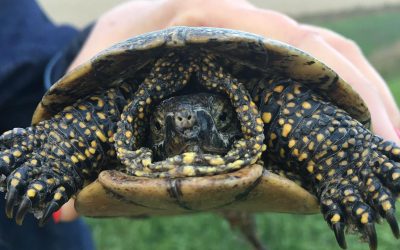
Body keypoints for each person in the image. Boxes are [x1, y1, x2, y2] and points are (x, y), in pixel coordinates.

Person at [1, 0, 399, 247]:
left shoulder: (263, 99)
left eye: (220, 118)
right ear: (143, 125)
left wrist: (347, 159)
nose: (188, 129)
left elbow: (25, 67)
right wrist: (51, 158)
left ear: (239, 116)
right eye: (164, 126)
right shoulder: (119, 109)